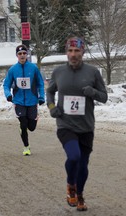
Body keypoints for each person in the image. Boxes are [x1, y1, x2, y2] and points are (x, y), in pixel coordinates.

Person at [46, 36, 108, 211]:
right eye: (70, 51)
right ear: (66, 52)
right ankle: (70, 185)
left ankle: (79, 194)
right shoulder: (58, 72)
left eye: (77, 51)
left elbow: (104, 97)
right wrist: (51, 107)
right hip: (65, 124)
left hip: (86, 126)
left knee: (83, 163)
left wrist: (93, 92)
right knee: (74, 156)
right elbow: (49, 92)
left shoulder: (93, 72)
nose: (73, 54)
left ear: (83, 52)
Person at [3, 44, 45, 156]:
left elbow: (40, 84)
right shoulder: (12, 70)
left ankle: (28, 125)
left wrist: (41, 97)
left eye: (24, 53)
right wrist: (8, 95)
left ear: (27, 55)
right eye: (20, 54)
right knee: (23, 123)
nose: (22, 55)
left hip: (32, 101)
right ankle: (26, 147)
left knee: (31, 127)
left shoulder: (33, 68)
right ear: (17, 55)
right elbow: (6, 85)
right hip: (18, 101)